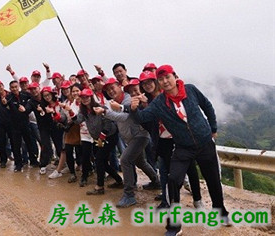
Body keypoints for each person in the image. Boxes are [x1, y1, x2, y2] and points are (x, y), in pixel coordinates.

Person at [130, 65, 229, 236]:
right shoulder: (160, 103)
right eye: (160, 79)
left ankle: (220, 211)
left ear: (175, 76)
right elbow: (142, 118)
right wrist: (133, 109)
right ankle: (174, 226)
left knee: (213, 180)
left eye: (167, 77)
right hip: (183, 147)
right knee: (173, 180)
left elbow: (207, 106)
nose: (164, 81)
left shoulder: (190, 90)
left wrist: (213, 128)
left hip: (205, 143)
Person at [99, 78, 159, 208]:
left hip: (140, 136)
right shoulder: (114, 102)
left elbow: (125, 116)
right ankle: (156, 180)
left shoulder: (128, 98)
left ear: (119, 87)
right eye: (108, 90)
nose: (110, 91)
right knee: (140, 162)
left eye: (112, 87)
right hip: (130, 137)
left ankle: (129, 195)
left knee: (125, 160)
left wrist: (106, 112)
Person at [70, 88, 123, 195]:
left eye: (87, 97)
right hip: (98, 138)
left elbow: (108, 122)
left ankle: (100, 187)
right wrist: (70, 112)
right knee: (102, 161)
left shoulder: (100, 107)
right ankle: (118, 180)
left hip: (109, 136)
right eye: (83, 98)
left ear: (91, 97)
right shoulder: (83, 110)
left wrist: (102, 136)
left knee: (99, 159)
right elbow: (78, 121)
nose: (85, 99)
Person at [7, 80, 39, 172]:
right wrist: (5, 103)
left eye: (15, 87)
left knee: (30, 143)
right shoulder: (8, 98)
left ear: (18, 87)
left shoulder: (25, 95)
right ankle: (18, 164)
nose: (14, 89)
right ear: (10, 88)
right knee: (16, 146)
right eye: (12, 87)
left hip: (25, 123)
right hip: (14, 125)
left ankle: (33, 161)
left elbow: (35, 98)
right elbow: (4, 104)